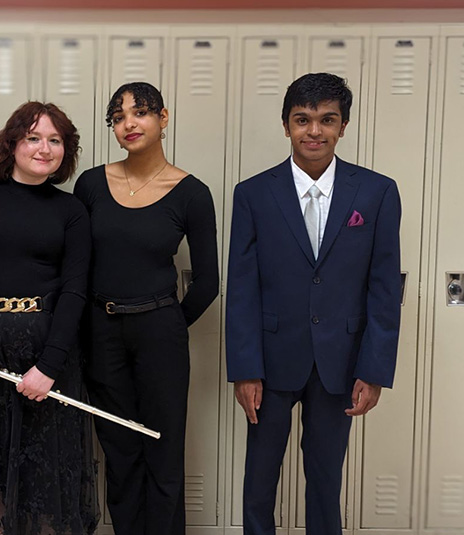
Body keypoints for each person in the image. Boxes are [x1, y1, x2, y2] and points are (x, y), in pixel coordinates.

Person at [225, 73, 402, 535]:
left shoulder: (377, 192)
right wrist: (245, 368)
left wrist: (374, 368)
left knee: (326, 479)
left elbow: (384, 287)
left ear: (343, 126)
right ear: (286, 125)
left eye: (327, 120)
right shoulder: (253, 194)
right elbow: (242, 287)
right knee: (260, 481)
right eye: (302, 120)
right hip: (270, 360)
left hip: (340, 363)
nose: (314, 131)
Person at [0, 101, 99, 535]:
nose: (44, 148)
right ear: (11, 143)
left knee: (44, 467)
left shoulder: (71, 211)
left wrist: (49, 366)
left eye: (55, 140)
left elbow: (74, 290)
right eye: (33, 137)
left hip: (48, 351)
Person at [73, 82, 219, 535]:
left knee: (163, 446)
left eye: (140, 113)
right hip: (101, 329)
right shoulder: (92, 184)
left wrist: (168, 321)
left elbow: (208, 281)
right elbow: (75, 266)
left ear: (164, 118)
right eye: (118, 117)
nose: (129, 124)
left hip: (160, 332)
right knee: (118, 447)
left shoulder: (192, 193)